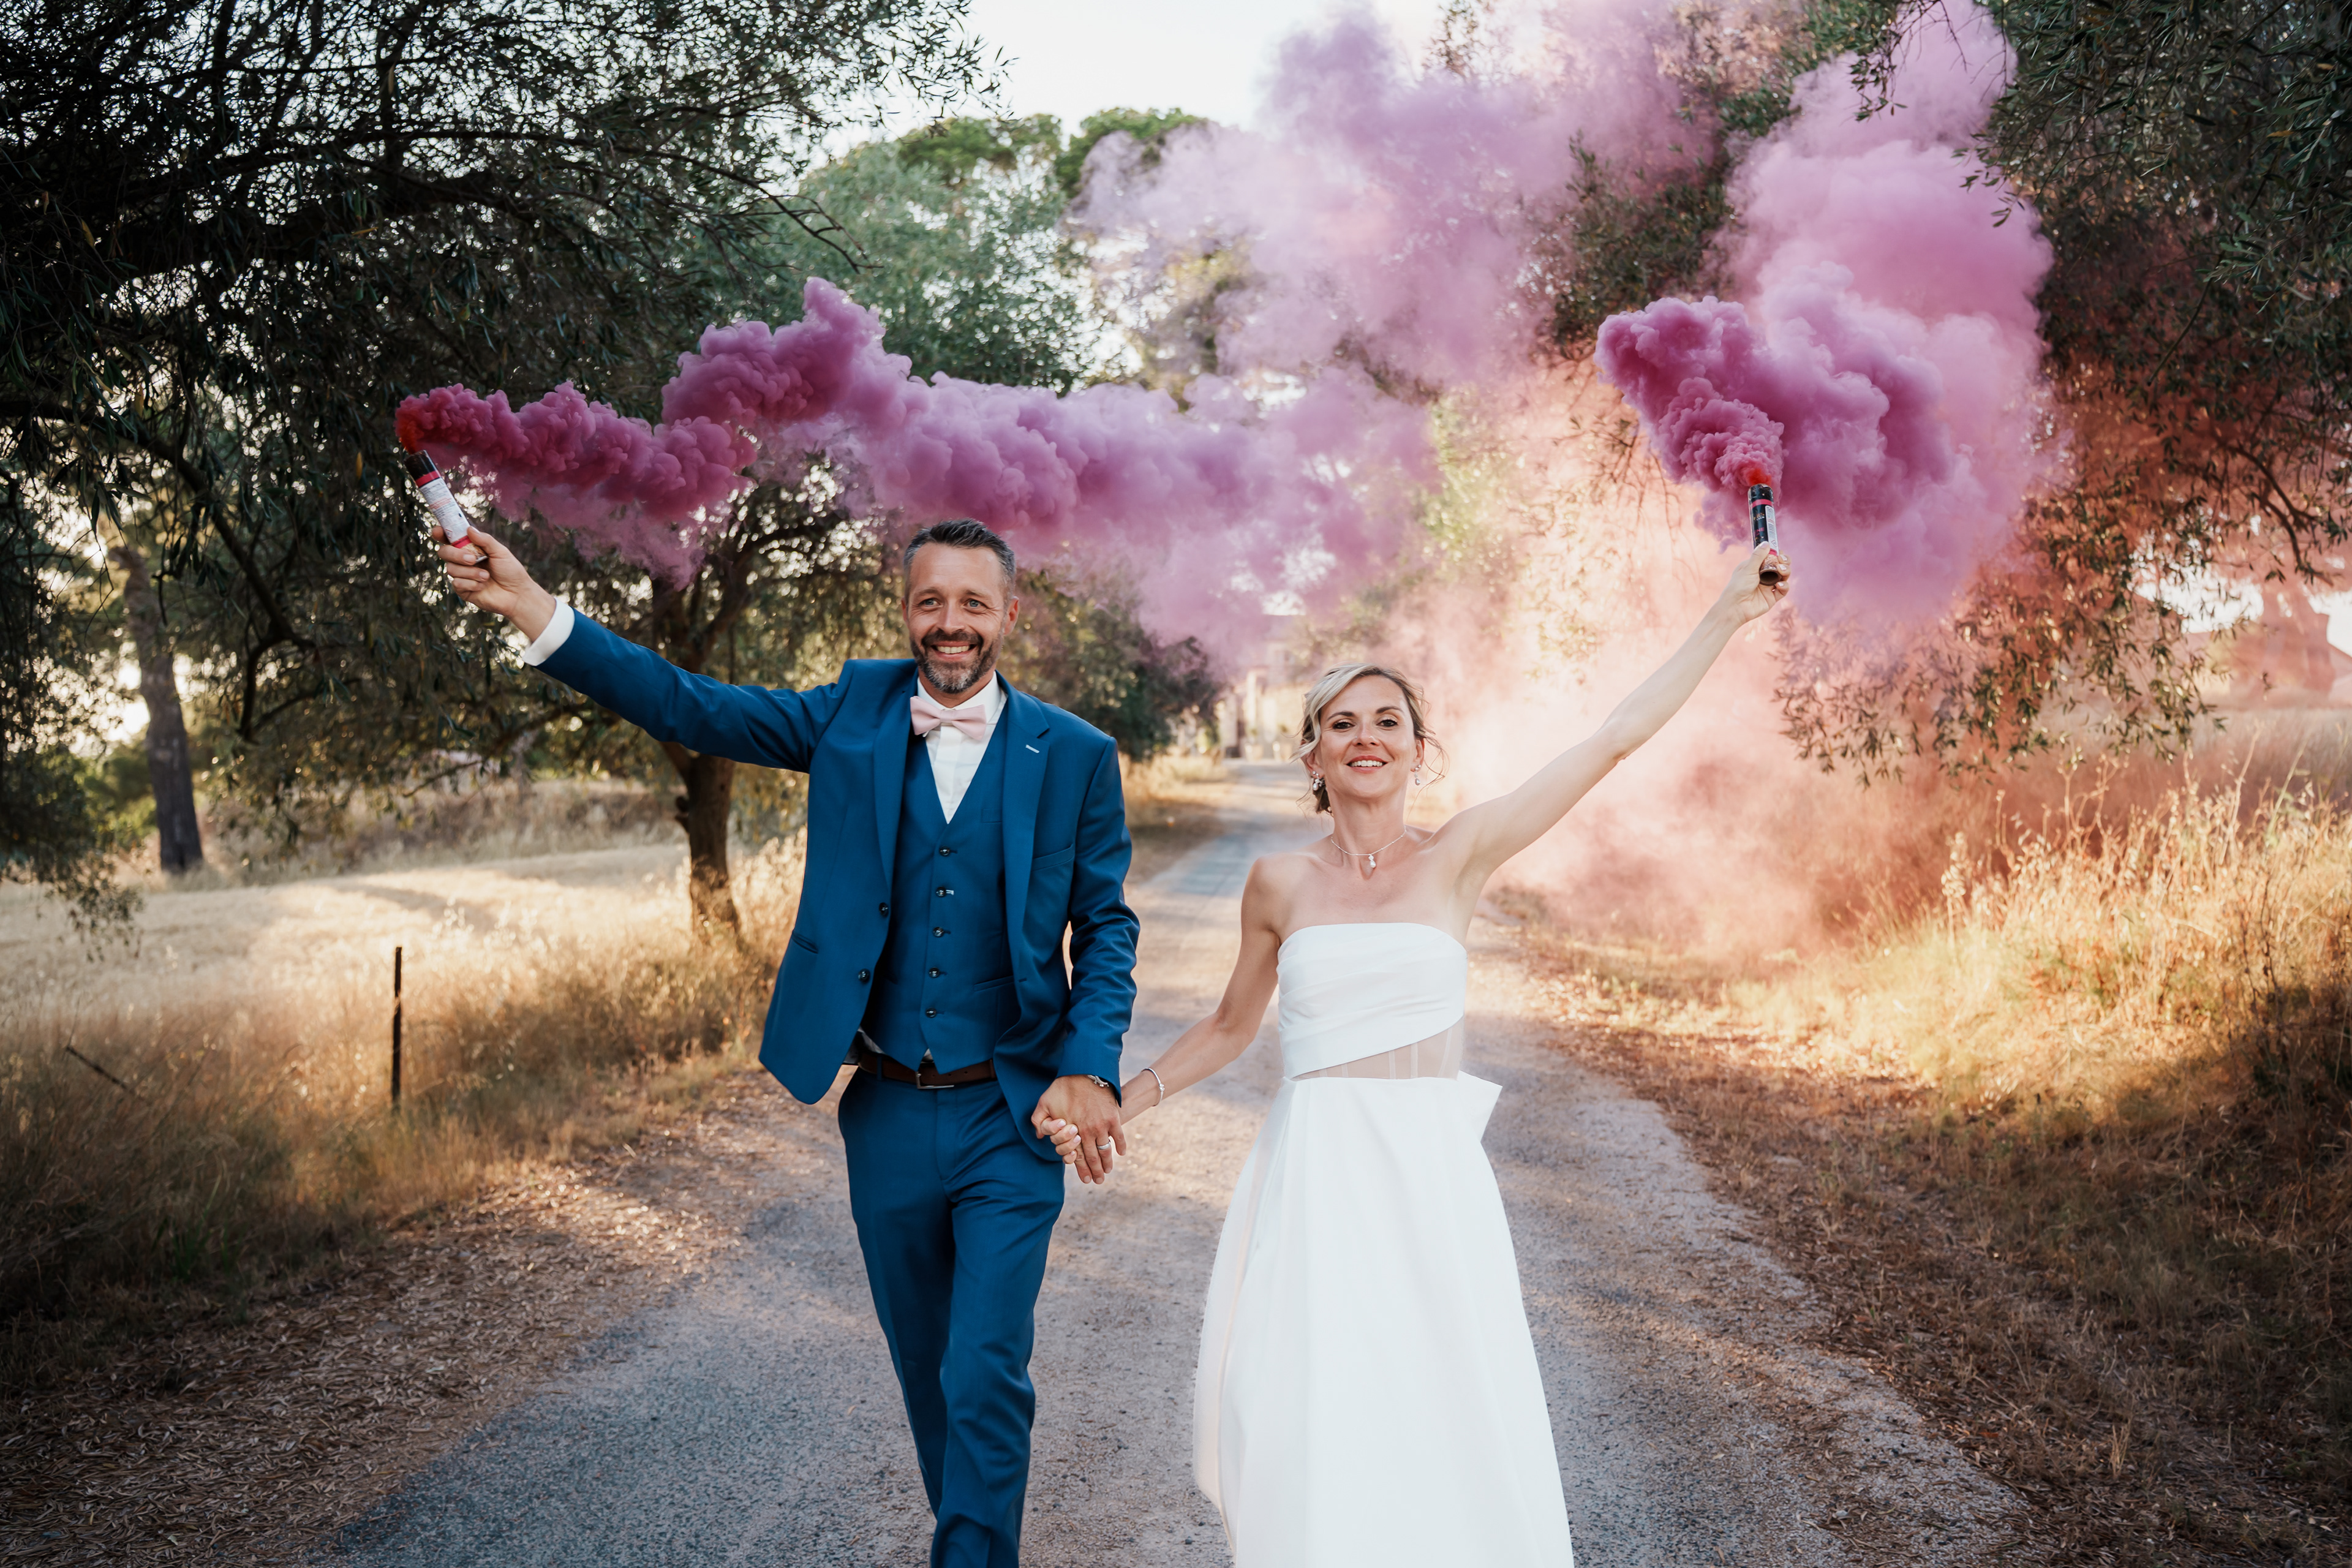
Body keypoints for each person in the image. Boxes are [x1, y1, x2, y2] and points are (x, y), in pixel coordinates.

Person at [1048, 542, 1790, 1564]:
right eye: (1341, 724)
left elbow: (1613, 740)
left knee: (1447, 1406)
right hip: (1314, 1177)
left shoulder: (1461, 856)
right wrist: (1114, 1106)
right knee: (1314, 1412)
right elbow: (1230, 1027)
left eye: (1387, 722)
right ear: (1311, 755)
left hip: (1430, 1177)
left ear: (1416, 750)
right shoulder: (1275, 882)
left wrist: (1726, 615)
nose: (1366, 738)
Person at [435, 516, 1137, 1568]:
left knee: (986, 1367)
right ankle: (977, 1540)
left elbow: (1108, 926)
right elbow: (689, 704)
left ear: (1009, 616)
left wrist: (1088, 1064)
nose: (951, 625)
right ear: (906, 611)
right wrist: (537, 610)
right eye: (931, 602)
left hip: (1012, 1110)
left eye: (974, 604)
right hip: (889, 1108)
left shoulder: (1076, 754)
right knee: (928, 1369)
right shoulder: (850, 714)